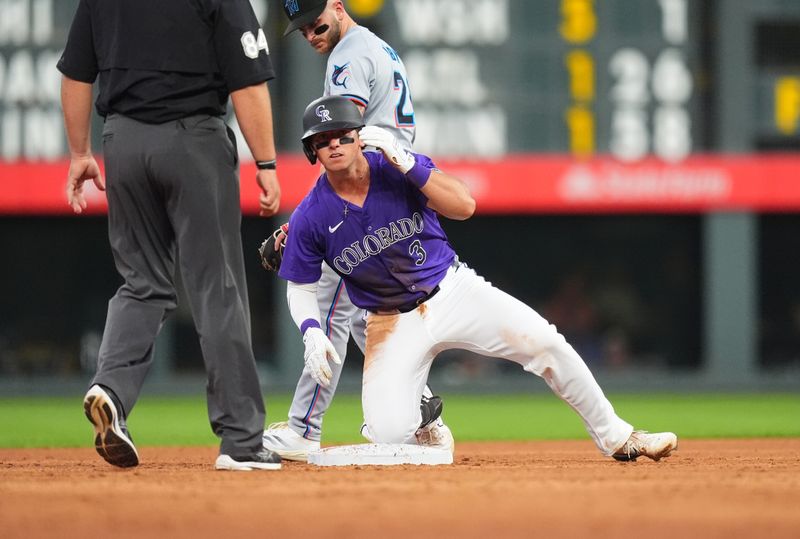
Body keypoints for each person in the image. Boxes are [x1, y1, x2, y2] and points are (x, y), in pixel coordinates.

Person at [279, 95, 679, 462]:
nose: (333, 144)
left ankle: (619, 437)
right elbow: (300, 285)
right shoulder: (312, 215)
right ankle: (425, 419)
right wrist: (311, 329)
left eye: (341, 135)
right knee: (388, 433)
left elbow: (465, 205)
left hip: (452, 291)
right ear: (311, 150)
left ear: (360, 136)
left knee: (544, 342)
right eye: (322, 139)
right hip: (389, 321)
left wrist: (409, 164)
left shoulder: (396, 167)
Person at [58, 0, 282, 471]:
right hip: (193, 140)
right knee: (216, 288)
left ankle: (111, 389)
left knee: (142, 283)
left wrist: (79, 151)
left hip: (124, 143)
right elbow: (247, 80)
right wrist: (265, 162)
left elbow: (76, 73)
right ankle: (242, 441)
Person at [262, 0, 451, 460]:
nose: (310, 34)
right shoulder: (377, 47)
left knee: (327, 304)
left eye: (315, 22)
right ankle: (417, 404)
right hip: (390, 192)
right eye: (302, 29)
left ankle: (305, 430)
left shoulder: (348, 57)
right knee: (369, 308)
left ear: (338, 6)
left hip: (371, 192)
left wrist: (308, 219)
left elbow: (342, 143)